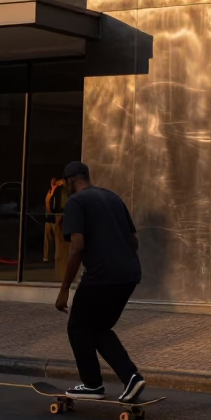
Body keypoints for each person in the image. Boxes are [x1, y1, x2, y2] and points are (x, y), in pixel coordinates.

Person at [55, 160, 145, 402]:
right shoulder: (113, 198)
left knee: (78, 327)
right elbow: (134, 240)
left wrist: (64, 290)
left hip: (102, 276)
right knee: (98, 328)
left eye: (65, 183)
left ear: (70, 180)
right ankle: (131, 378)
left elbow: (77, 247)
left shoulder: (76, 201)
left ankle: (92, 384)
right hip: (129, 274)